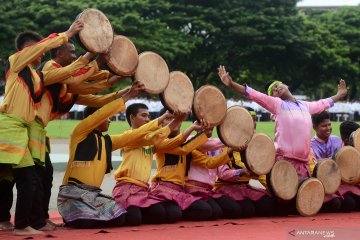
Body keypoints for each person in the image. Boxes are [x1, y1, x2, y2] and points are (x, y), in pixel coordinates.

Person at [0, 20, 84, 235]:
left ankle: (19, 224)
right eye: (38, 50)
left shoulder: (37, 76)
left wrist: (92, 59)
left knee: (19, 179)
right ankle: (18, 224)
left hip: (20, 131)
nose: (43, 55)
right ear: (27, 50)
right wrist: (68, 33)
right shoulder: (16, 62)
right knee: (14, 179)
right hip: (8, 128)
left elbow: (70, 74)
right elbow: (43, 47)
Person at [57, 80, 172, 228]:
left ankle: (82, 217)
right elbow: (103, 113)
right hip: (73, 194)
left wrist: (164, 121)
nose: (110, 120)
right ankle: (76, 217)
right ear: (96, 118)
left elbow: (135, 135)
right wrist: (129, 95)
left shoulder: (108, 141)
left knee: (121, 218)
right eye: (107, 117)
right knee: (87, 222)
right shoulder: (79, 133)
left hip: (93, 195)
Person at [217, 65, 348, 180]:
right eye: (272, 91)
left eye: (277, 85)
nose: (276, 89)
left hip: (304, 163)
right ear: (272, 97)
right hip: (284, 162)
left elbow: (322, 104)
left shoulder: (305, 105)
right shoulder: (278, 105)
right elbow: (254, 95)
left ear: (285, 84)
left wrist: (339, 95)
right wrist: (231, 84)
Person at [112, 104, 202, 226]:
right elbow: (155, 136)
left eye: (149, 116)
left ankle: (133, 212)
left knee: (161, 214)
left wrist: (189, 126)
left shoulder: (151, 143)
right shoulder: (129, 137)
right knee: (134, 220)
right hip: (127, 188)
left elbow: (178, 145)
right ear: (132, 117)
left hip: (143, 190)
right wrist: (168, 118)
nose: (148, 119)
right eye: (143, 115)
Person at [149, 108, 242, 222]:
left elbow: (210, 162)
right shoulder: (160, 143)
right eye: (169, 119)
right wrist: (197, 130)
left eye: (177, 119)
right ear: (161, 123)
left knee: (212, 212)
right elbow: (182, 148)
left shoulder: (187, 147)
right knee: (175, 214)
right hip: (162, 188)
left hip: (180, 190)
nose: (174, 121)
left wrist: (230, 150)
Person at [310, 111, 343, 212]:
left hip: (339, 183)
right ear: (314, 127)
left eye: (329, 124)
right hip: (320, 184)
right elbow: (314, 171)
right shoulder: (310, 145)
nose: (328, 128)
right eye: (324, 126)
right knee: (336, 204)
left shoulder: (337, 140)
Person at [338, 121, 360, 212]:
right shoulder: (340, 154)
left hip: (356, 187)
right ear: (347, 141)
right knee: (350, 203)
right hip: (343, 189)